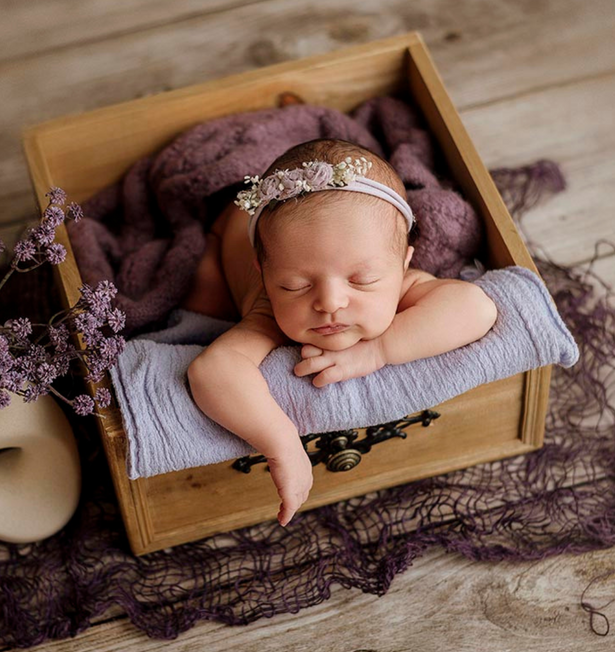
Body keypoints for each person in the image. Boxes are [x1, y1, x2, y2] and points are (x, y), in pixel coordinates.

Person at [183, 138, 498, 527]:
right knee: (203, 300)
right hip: (230, 224)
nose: (330, 302)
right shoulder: (268, 310)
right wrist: (282, 444)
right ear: (265, 278)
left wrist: (377, 350)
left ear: (404, 263)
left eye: (362, 279)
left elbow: (476, 307)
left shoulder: (401, 283)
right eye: (295, 286)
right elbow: (212, 370)